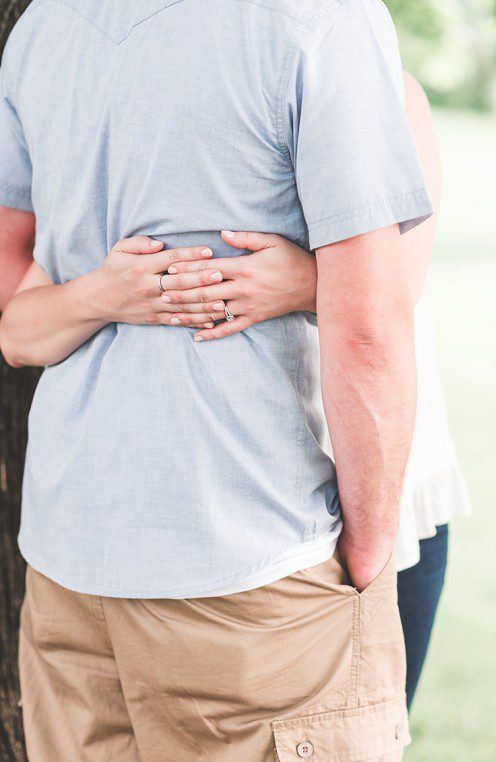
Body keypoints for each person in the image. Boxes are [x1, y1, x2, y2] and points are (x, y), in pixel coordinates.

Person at [0, 1, 435, 757]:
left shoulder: (42, 26)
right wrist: (368, 554)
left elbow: (14, 269)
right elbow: (370, 330)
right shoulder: (318, 19)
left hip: (68, 566)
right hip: (247, 569)